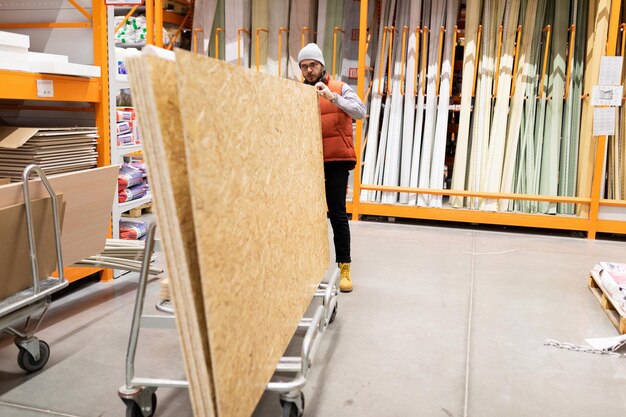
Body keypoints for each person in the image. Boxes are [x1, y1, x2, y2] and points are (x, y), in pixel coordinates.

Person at [297, 43, 366, 293]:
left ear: (321, 65)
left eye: (312, 65)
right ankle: (308, 269)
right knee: (309, 218)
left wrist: (332, 97)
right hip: (309, 163)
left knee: (337, 215)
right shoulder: (298, 91)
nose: (308, 70)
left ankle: (344, 266)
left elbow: (360, 111)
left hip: (335, 161)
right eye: (303, 66)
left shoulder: (339, 87)